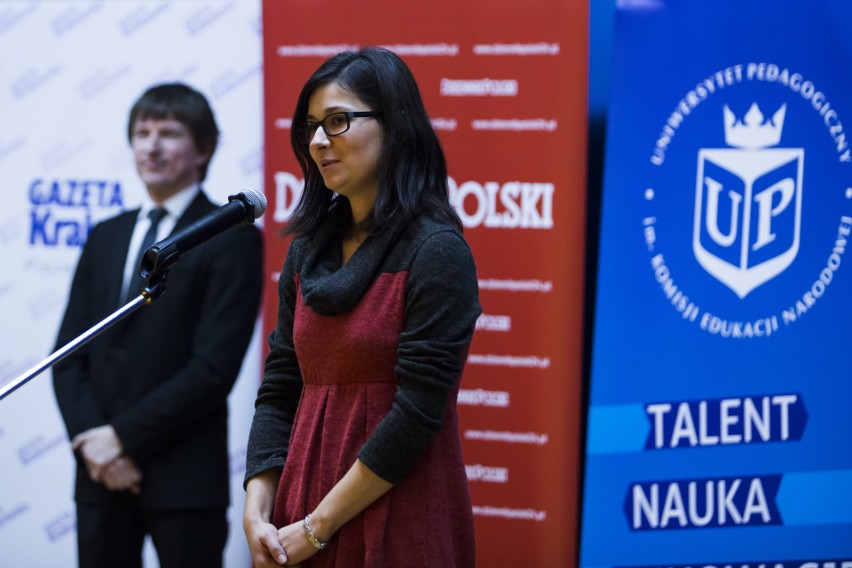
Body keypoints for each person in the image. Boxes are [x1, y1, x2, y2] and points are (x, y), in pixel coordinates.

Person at [242, 47, 481, 567]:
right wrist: (257, 507)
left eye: (338, 121)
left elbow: (418, 414)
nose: (318, 141)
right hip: (299, 517)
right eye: (311, 126)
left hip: (397, 514)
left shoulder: (436, 250)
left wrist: (317, 528)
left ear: (395, 126)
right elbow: (281, 385)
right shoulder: (306, 250)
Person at [52, 82, 263, 568]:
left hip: (183, 480)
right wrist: (94, 442)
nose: (150, 145)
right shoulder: (106, 234)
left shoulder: (228, 237)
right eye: (141, 132)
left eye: (168, 133)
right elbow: (68, 355)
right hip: (99, 474)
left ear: (204, 148)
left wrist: (122, 439)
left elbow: (213, 368)